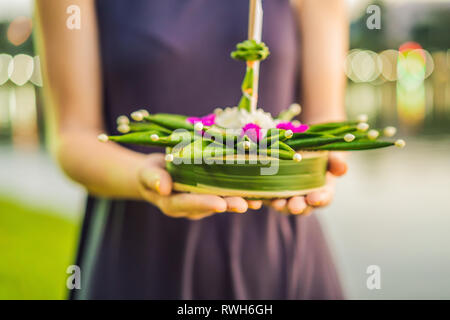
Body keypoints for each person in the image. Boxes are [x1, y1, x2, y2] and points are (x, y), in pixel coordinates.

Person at [35, 0, 348, 299]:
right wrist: (148, 177)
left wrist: (322, 162)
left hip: (279, 255)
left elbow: (325, 117)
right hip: (139, 255)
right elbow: (74, 135)